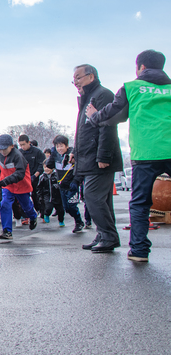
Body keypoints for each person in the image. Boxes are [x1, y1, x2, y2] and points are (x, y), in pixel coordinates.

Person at [86, 49, 171, 261]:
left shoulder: (131, 87)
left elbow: (113, 114)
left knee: (140, 203)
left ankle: (139, 250)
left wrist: (93, 116)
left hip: (146, 153)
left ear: (140, 67)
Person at [71, 63, 123, 254]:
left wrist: (103, 156)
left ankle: (109, 237)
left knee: (93, 198)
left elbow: (108, 127)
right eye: (73, 79)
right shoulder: (88, 98)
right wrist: (75, 153)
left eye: (78, 77)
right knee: (103, 200)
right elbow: (85, 131)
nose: (75, 82)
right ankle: (103, 235)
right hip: (89, 158)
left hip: (99, 159)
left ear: (91, 77)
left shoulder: (103, 95)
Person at [0, 134, 38, 240]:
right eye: (0, 149)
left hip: (21, 185)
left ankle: (33, 217)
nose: (2, 152)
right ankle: (7, 231)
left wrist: (6, 181)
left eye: (5, 149)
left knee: (26, 207)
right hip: (8, 185)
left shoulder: (18, 156)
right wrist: (0, 181)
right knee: (4, 204)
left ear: (12, 146)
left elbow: (20, 173)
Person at [45, 135, 85, 231]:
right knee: (66, 208)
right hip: (62, 186)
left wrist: (76, 182)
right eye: (57, 146)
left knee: (72, 205)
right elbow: (49, 165)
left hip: (72, 186)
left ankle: (79, 222)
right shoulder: (55, 155)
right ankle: (78, 220)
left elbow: (80, 170)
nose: (59, 149)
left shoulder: (72, 155)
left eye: (61, 146)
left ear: (66, 146)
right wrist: (53, 153)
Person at [19, 134, 46, 224]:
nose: (22, 147)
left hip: (35, 177)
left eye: (24, 144)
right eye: (20, 145)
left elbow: (41, 164)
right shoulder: (19, 153)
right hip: (23, 179)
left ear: (29, 143)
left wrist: (35, 175)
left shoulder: (37, 152)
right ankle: (26, 216)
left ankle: (41, 212)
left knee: (36, 196)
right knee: (23, 197)